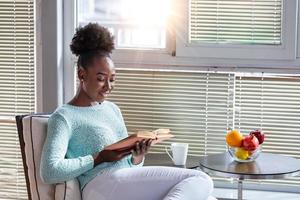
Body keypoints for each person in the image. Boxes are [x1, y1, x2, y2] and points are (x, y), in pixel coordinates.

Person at [40, 23, 214, 200]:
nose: (108, 86)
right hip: (99, 186)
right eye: (101, 79)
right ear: (82, 74)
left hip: (123, 183)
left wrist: (137, 157)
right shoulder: (64, 116)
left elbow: (130, 168)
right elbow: (49, 171)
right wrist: (98, 158)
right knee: (200, 179)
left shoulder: (112, 109)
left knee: (207, 197)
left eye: (112, 79)